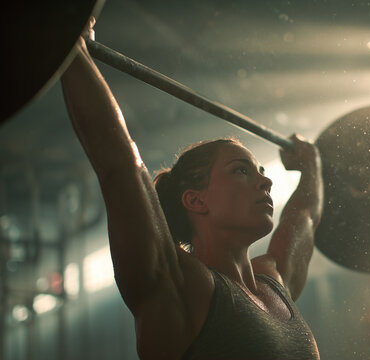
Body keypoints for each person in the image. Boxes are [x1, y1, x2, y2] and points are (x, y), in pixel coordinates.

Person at [61, 19, 323, 360]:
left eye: (261, 170)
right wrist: (72, 50)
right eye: (241, 171)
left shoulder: (275, 280)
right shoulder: (177, 284)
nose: (266, 180)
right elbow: (119, 165)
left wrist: (311, 165)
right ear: (195, 200)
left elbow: (305, 215)